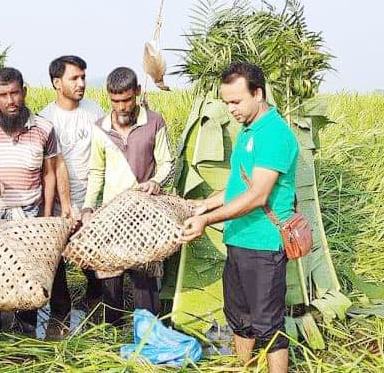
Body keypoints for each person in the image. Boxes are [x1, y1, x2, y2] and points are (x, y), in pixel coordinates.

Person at [181, 62, 298, 373]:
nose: (230, 109)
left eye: (236, 101)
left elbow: (258, 195)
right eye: (226, 102)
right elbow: (237, 187)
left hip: (263, 245)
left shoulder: (274, 134)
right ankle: (242, 367)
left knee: (268, 325)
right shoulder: (248, 132)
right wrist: (205, 204)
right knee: (239, 318)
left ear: (257, 93)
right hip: (238, 240)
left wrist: (207, 221)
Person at [0, 67, 60, 336]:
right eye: (3, 95)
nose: (11, 101)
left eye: (15, 93)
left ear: (24, 92)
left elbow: (49, 173)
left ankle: (25, 331)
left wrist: (44, 215)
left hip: (29, 213)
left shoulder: (44, 128)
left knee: (27, 275)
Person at [81, 66, 174, 325]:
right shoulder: (100, 128)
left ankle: (148, 331)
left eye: (126, 100)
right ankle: (113, 329)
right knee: (111, 277)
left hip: (144, 214)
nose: (121, 106)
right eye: (115, 101)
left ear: (137, 93)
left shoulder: (154, 121)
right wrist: (89, 207)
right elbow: (96, 171)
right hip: (111, 214)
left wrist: (156, 182)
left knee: (144, 277)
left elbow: (167, 163)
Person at [38, 56, 104, 330]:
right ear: (57, 82)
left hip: (91, 203)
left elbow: (104, 156)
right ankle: (60, 313)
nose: (81, 83)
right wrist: (57, 207)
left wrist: (90, 204)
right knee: (57, 262)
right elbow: (48, 168)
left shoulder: (95, 111)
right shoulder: (45, 118)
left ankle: (98, 307)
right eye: (74, 78)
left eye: (83, 77)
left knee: (94, 261)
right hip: (58, 206)